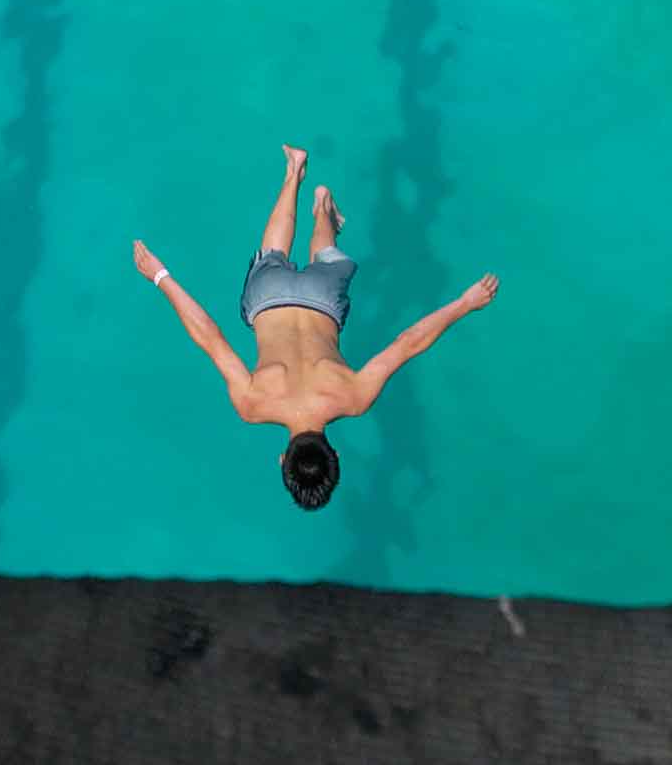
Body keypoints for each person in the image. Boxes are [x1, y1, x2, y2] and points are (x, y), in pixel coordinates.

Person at [133, 144, 500, 510]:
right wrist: (160, 276)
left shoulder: (354, 398)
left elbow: (407, 343)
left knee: (326, 258)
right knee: (271, 256)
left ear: (335, 453)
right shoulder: (252, 405)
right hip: (268, 299)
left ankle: (322, 206)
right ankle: (293, 171)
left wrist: (465, 303)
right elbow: (210, 337)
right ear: (282, 459)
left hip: (323, 298)